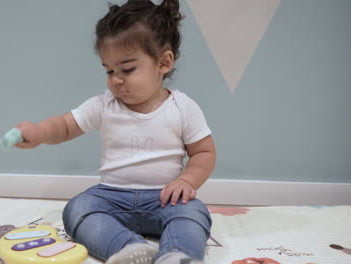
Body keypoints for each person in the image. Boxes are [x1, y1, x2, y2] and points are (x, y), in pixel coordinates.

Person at [13, 0, 216, 263]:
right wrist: (40, 131)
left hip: (165, 197)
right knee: (78, 209)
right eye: (109, 70)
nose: (116, 79)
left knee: (194, 213)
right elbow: (64, 126)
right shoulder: (104, 105)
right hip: (110, 196)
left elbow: (203, 152)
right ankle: (128, 249)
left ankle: (177, 255)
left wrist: (186, 182)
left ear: (163, 63)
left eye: (127, 69)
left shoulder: (182, 107)